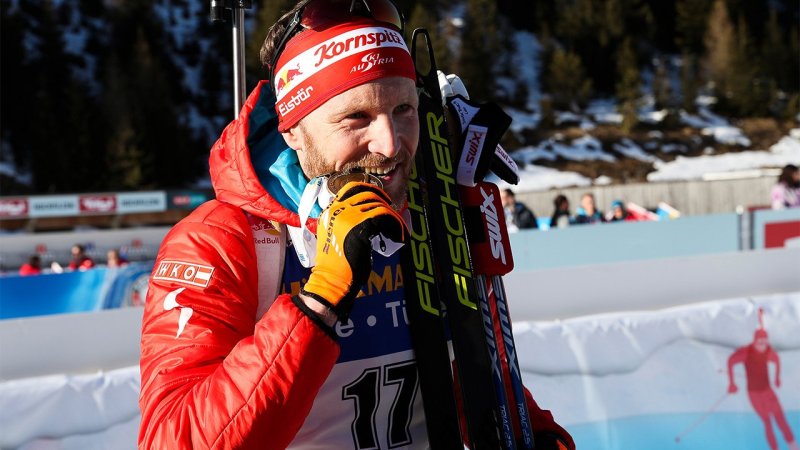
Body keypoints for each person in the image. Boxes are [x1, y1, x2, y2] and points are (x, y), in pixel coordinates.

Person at [137, 2, 573, 450]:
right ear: (293, 130)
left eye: (403, 109)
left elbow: (465, 372)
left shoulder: (425, 208)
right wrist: (320, 301)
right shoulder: (224, 240)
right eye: (356, 118)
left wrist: (538, 434)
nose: (389, 144)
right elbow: (172, 438)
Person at [727, 321, 798, 450]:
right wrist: (732, 383)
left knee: (780, 419)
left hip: (767, 391)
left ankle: (793, 447)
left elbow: (776, 360)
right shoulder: (746, 353)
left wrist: (777, 378)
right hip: (754, 395)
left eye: (765, 342)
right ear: (754, 341)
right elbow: (731, 361)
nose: (762, 345)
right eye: (760, 342)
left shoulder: (768, 352)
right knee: (768, 423)